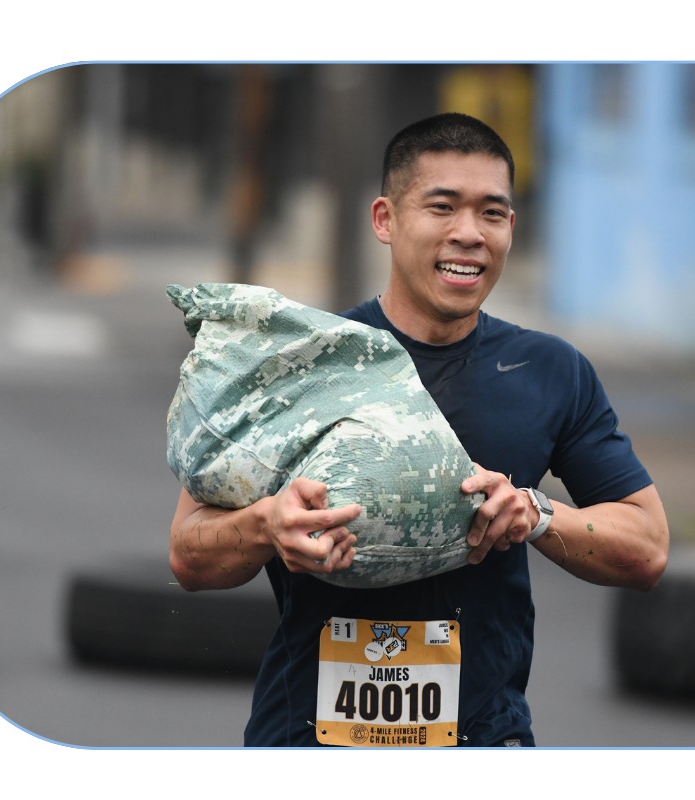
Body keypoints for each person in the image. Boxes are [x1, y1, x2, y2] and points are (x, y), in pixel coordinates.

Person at [169, 113, 669, 747]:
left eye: (492, 213)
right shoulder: (298, 364)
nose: (469, 234)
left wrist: (537, 514)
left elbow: (648, 546)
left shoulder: (551, 372)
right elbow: (188, 553)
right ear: (385, 219)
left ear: (511, 227)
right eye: (442, 207)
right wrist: (268, 524)